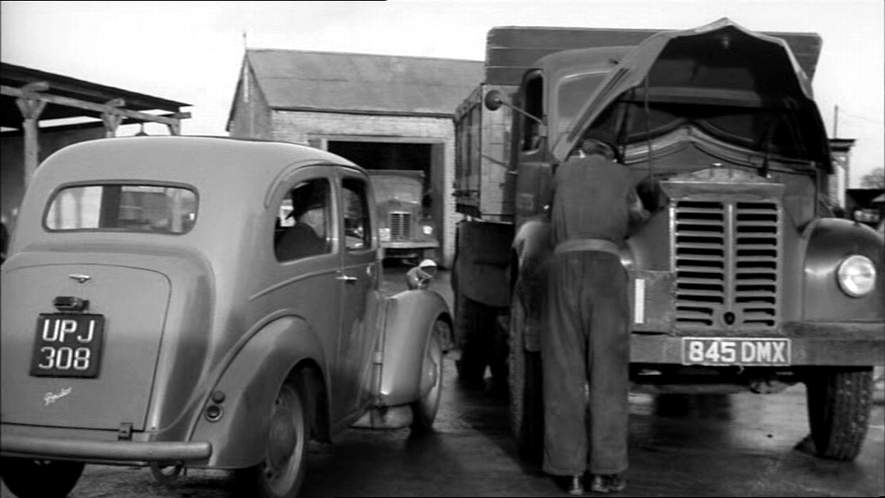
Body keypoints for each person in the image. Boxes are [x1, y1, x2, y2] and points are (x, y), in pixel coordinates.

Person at [541, 136, 648, 495]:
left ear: (583, 152)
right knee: (608, 372)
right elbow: (640, 215)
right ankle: (605, 472)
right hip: (605, 270)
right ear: (611, 155)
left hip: (562, 267)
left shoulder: (562, 173)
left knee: (563, 371)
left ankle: (568, 473)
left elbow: (546, 214)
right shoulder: (624, 177)